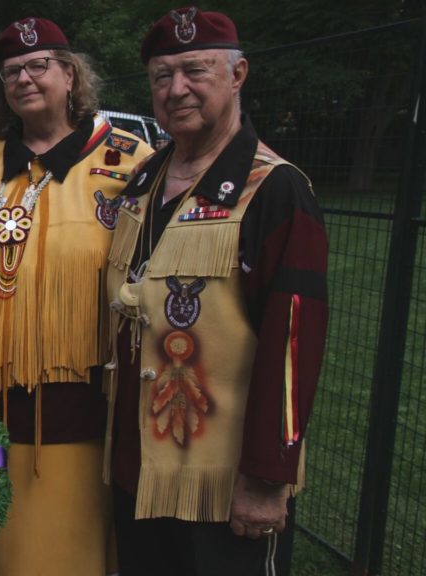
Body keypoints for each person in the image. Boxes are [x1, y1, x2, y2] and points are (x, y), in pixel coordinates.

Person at [0, 17, 153, 575]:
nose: (24, 78)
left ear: (71, 75)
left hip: (74, 406)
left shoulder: (129, 160)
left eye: (38, 65)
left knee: (56, 551)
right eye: (11, 72)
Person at [104, 8, 328, 575]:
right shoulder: (144, 180)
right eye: (161, 76)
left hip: (221, 488)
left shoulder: (275, 191)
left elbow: (292, 347)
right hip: (137, 470)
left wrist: (267, 478)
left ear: (238, 75)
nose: (176, 89)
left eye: (195, 71)